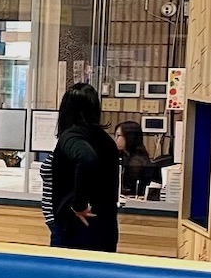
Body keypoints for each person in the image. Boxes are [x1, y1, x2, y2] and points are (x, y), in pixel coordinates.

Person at [48, 82, 120, 252]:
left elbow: (87, 158)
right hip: (105, 229)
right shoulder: (106, 140)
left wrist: (79, 204)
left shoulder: (71, 136)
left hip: (76, 230)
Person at [114, 120, 161, 197]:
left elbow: (128, 189)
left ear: (129, 137)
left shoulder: (137, 161)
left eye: (118, 135)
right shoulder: (124, 156)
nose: (115, 139)